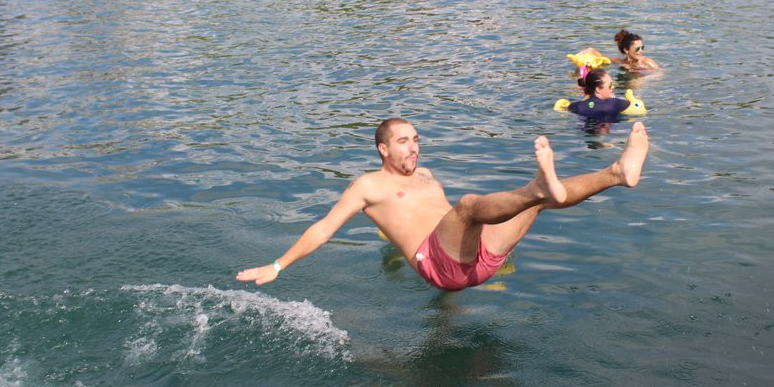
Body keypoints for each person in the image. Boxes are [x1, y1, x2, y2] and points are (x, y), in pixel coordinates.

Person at [236, 119, 649, 292]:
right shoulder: (367, 185)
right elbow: (324, 229)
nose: (414, 148)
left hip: (477, 261)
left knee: (531, 204)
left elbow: (457, 233)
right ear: (383, 149)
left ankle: (617, 173)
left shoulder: (428, 175)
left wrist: (447, 308)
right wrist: (277, 266)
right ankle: (542, 187)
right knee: (469, 205)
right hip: (438, 266)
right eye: (403, 142)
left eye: (416, 140)